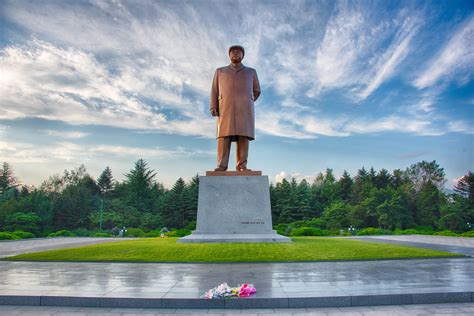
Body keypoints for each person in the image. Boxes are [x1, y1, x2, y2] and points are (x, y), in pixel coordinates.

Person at [210, 45, 261, 171]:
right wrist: (213, 106)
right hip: (225, 107)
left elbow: (257, 90)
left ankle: (242, 166)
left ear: (243, 55)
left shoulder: (251, 72)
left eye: (238, 52)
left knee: (243, 136)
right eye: (233, 52)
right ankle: (221, 166)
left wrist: (247, 100)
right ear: (229, 55)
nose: (235, 54)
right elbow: (214, 90)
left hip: (244, 109)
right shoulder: (220, 71)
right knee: (223, 136)